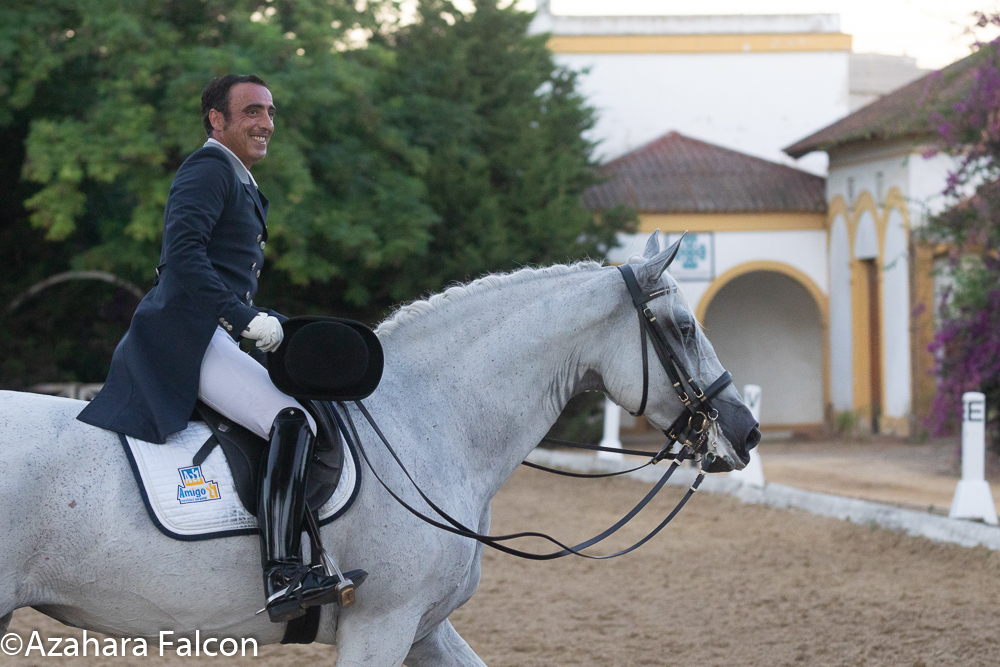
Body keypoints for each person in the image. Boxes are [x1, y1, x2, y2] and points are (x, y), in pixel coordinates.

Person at [78, 74, 345, 623]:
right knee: (291, 420)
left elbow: (224, 269)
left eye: (270, 111)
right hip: (188, 336)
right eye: (251, 112)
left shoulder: (237, 177)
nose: (265, 123)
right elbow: (184, 258)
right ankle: (281, 573)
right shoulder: (207, 169)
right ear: (216, 120)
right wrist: (245, 318)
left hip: (213, 331)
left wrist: (265, 321)